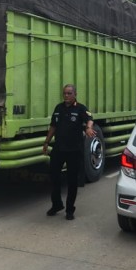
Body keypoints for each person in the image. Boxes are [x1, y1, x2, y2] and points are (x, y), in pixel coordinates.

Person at [42, 84, 95, 220]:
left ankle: (70, 210)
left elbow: (89, 119)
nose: (66, 96)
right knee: (54, 177)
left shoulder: (80, 108)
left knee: (72, 181)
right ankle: (56, 205)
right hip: (59, 149)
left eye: (69, 93)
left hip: (74, 150)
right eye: (65, 93)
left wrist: (88, 128)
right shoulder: (58, 108)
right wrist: (46, 142)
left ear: (75, 94)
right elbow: (53, 126)